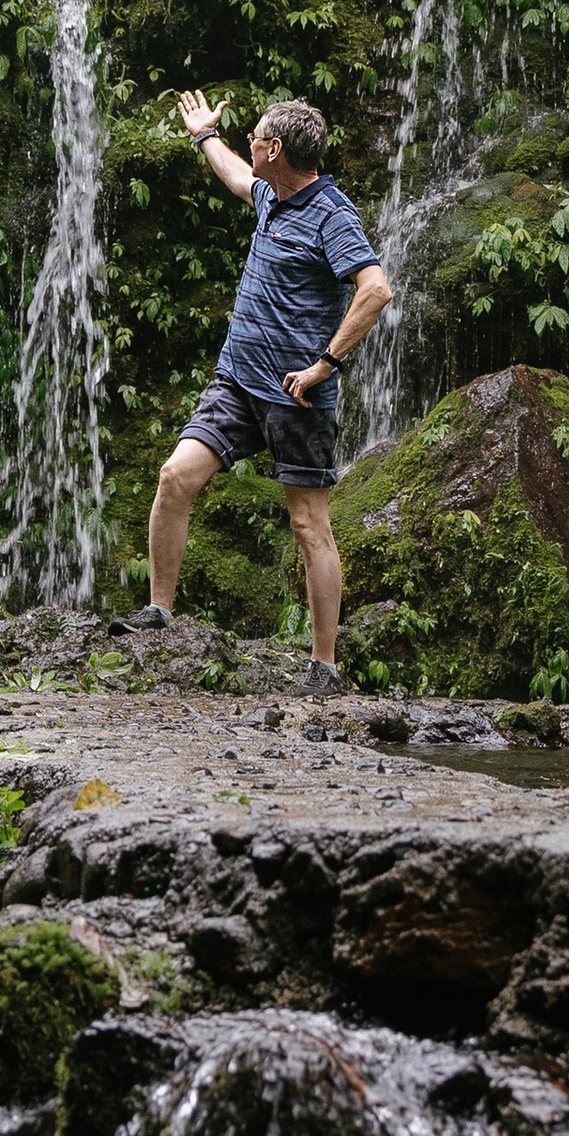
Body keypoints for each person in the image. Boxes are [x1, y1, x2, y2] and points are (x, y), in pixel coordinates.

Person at [127, 89, 393, 693]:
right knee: (175, 477)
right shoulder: (272, 192)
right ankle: (159, 610)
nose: (249, 141)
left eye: (255, 136)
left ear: (275, 149)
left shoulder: (333, 214)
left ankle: (324, 665)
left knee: (309, 526)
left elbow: (375, 288)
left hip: (296, 396)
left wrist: (326, 363)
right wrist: (203, 137)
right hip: (239, 382)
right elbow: (235, 175)